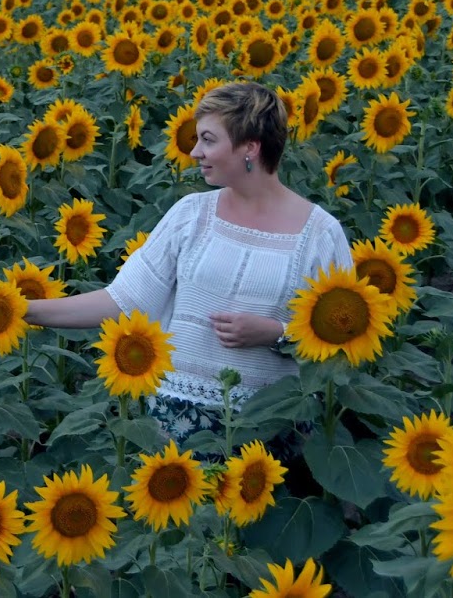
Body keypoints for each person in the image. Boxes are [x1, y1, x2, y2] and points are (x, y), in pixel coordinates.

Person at [25, 81, 352, 447]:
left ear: (251, 147)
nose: (194, 151)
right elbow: (123, 300)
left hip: (270, 431)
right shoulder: (191, 215)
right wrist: (24, 311)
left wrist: (275, 334)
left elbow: (345, 341)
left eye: (209, 140)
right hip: (175, 421)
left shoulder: (319, 233)